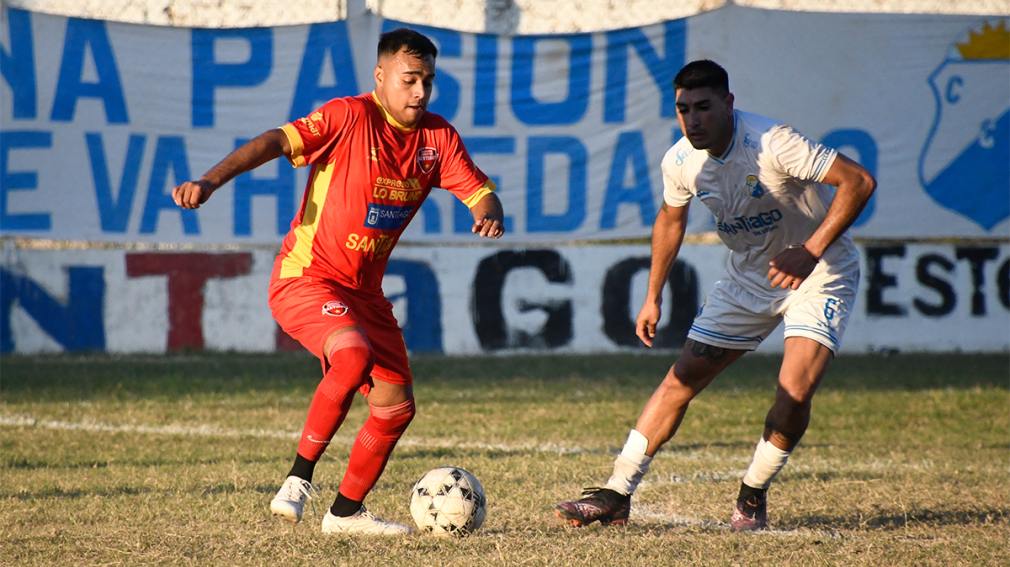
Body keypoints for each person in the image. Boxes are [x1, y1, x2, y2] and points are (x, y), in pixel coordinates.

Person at [173, 28, 504, 536]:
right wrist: (210, 181)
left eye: (428, 81)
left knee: (395, 408)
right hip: (306, 278)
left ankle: (345, 512)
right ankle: (298, 479)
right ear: (381, 76)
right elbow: (273, 142)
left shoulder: (437, 138)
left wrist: (488, 210)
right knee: (351, 357)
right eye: (409, 79)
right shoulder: (349, 116)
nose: (420, 92)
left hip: (365, 294)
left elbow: (478, 189)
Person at [554, 59, 875, 531]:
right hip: (748, 277)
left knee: (795, 390)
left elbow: (858, 181)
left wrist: (809, 251)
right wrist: (652, 294)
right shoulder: (680, 160)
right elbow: (670, 218)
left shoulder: (773, 143)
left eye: (704, 107)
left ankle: (751, 496)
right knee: (679, 379)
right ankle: (616, 493)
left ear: (728, 103)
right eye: (684, 109)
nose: (693, 120)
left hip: (820, 272)